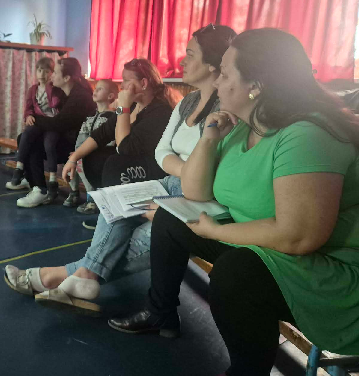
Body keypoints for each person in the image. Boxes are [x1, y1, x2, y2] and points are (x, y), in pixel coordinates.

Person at [108, 29, 359, 376]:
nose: (217, 82)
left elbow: (298, 237)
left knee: (235, 276)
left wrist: (215, 231)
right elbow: (195, 191)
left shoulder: (306, 135)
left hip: (324, 266)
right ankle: (160, 312)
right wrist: (209, 138)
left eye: (225, 74)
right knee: (171, 218)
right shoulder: (244, 125)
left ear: (255, 85)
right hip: (263, 242)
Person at [3, 25, 237, 314]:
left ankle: (65, 276)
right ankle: (80, 277)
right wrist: (76, 156)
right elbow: (161, 151)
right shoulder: (188, 102)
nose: (182, 60)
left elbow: (130, 149)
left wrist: (124, 109)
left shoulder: (216, 109)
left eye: (190, 54)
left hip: (192, 195)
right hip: (169, 182)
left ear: (213, 64)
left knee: (132, 237)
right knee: (115, 199)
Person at [62, 58, 176, 215]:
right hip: (129, 163)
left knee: (114, 162)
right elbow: (102, 133)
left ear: (143, 83)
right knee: (93, 157)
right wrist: (74, 158)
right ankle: (108, 207)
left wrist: (123, 107)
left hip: (153, 170)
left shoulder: (160, 111)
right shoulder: (134, 105)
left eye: (126, 80)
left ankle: (120, 213)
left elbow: (124, 148)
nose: (122, 86)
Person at [16, 58, 95, 208]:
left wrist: (34, 120)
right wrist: (31, 117)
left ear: (66, 78)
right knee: (26, 138)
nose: (51, 75)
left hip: (77, 147)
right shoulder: (65, 92)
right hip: (66, 139)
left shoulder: (79, 97)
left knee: (31, 142)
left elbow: (57, 123)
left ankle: (39, 188)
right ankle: (37, 185)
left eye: (56, 72)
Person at [6, 57, 66, 191]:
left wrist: (49, 87)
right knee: (26, 134)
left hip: (52, 125)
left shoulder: (56, 90)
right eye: (39, 70)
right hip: (39, 123)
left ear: (52, 73)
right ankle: (19, 168)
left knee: (49, 144)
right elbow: (28, 107)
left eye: (46, 71)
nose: (42, 74)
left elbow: (55, 104)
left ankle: (52, 179)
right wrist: (28, 116)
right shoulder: (33, 89)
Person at [64, 79, 118, 207]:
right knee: (72, 159)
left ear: (110, 96)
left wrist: (85, 153)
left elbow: (110, 141)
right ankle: (74, 192)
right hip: (85, 152)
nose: (95, 91)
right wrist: (77, 152)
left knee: (81, 163)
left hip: (102, 154)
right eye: (95, 88)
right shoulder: (90, 116)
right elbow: (82, 136)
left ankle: (93, 198)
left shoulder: (112, 117)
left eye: (100, 89)